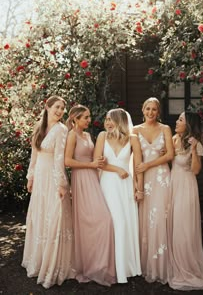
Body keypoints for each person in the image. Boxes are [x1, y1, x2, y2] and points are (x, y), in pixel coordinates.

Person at [22, 95, 75, 289]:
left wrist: (61, 184)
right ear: (47, 106)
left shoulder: (61, 130)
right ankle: (38, 259)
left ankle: (55, 264)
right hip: (40, 179)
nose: (60, 111)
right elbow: (34, 155)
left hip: (53, 179)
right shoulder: (40, 127)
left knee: (54, 218)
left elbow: (59, 159)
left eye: (62, 108)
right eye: (57, 107)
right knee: (41, 216)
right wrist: (30, 177)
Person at [167, 111, 203, 290]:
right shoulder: (174, 138)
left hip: (186, 187)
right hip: (172, 185)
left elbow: (196, 170)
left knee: (184, 226)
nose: (177, 121)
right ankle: (173, 259)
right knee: (174, 223)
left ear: (188, 125)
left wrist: (194, 148)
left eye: (180, 119)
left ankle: (187, 264)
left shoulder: (195, 144)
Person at [64, 105, 116, 286]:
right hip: (81, 179)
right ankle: (89, 265)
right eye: (85, 117)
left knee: (104, 220)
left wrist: (102, 160)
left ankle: (100, 265)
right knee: (96, 221)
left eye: (88, 116)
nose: (88, 120)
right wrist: (91, 165)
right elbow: (67, 161)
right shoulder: (72, 135)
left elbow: (94, 157)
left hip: (93, 178)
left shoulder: (87, 135)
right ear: (75, 119)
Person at [94, 108, 143, 283]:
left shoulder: (133, 139)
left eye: (110, 119)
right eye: (106, 119)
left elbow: (138, 167)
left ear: (120, 121)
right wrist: (117, 169)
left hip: (124, 186)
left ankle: (126, 267)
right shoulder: (102, 137)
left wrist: (139, 189)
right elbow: (97, 162)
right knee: (111, 223)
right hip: (107, 183)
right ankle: (109, 266)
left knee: (124, 223)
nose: (107, 123)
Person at [133, 97, 174, 284]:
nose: (150, 112)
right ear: (143, 110)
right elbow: (132, 157)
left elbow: (170, 155)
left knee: (159, 218)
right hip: (144, 180)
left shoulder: (165, 129)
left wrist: (147, 164)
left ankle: (162, 264)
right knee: (145, 218)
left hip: (161, 177)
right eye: (147, 108)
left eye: (154, 110)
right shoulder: (134, 130)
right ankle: (146, 263)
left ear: (158, 112)